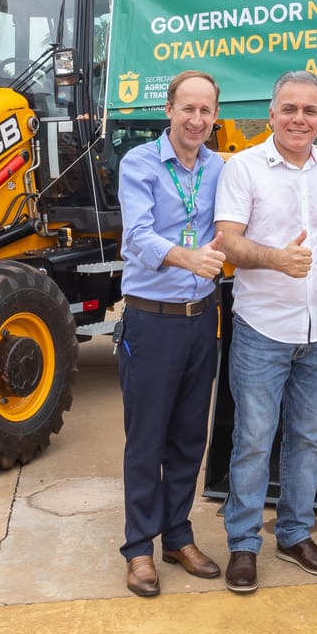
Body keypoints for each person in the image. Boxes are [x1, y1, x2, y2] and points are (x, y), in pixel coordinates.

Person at [213, 70, 317, 594]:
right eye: (290, 109)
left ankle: (296, 534)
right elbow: (226, 241)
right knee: (253, 440)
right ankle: (244, 544)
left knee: (308, 438)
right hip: (261, 328)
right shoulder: (244, 168)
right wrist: (277, 259)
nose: (300, 118)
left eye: (310, 111)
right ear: (271, 114)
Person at [114, 70, 228, 598]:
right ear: (169, 109)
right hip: (151, 319)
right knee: (146, 439)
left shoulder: (219, 167)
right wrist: (190, 257)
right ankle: (139, 546)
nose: (197, 120)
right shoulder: (139, 163)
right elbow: (136, 236)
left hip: (201, 319)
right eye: (189, 108)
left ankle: (177, 534)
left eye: (206, 110)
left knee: (188, 437)